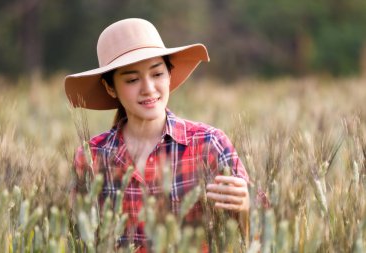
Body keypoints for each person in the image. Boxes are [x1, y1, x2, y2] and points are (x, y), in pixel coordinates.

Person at [65, 18, 250, 252]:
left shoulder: (208, 144)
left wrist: (246, 206)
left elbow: (261, 233)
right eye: (132, 79)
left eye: (157, 74)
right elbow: (78, 237)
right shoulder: (91, 158)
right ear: (110, 87)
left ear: (169, 74)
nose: (149, 88)